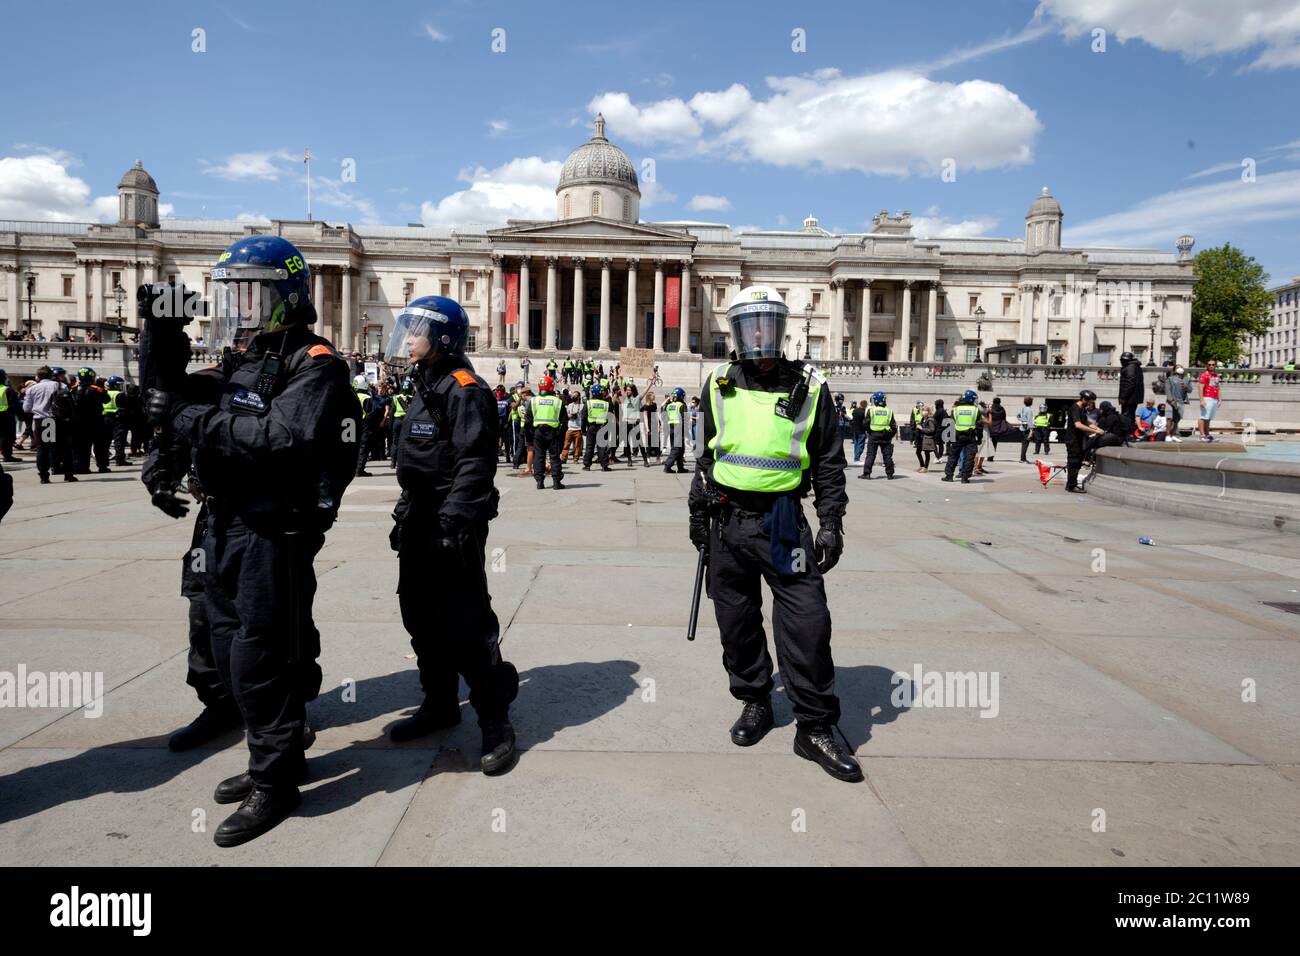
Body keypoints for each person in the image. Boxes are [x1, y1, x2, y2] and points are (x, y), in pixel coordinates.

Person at [153, 234, 358, 846]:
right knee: (222, 643)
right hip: (222, 520)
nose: (241, 306)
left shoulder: (314, 362)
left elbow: (280, 438)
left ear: (287, 296)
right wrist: (158, 331)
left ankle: (275, 779)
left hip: (273, 527)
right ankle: (271, 755)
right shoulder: (242, 356)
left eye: (254, 292)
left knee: (260, 654)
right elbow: (166, 394)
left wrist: (192, 421)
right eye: (233, 293)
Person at [688, 285, 860, 783]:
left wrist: (831, 522)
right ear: (738, 331)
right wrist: (697, 511)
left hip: (783, 521)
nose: (760, 335)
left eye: (768, 325)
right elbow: (707, 456)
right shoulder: (719, 381)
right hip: (725, 519)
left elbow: (829, 462)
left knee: (808, 623)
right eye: (750, 325)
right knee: (736, 623)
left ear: (781, 330)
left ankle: (815, 727)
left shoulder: (811, 384)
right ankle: (755, 701)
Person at [385, 295, 519, 774]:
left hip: (452, 524)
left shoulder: (464, 388)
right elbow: (414, 462)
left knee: (465, 624)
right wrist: (406, 513)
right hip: (420, 518)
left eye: (418, 330)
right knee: (419, 616)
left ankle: (495, 720)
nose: (409, 338)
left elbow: (475, 463)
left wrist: (453, 525)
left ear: (443, 338)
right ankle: (439, 703)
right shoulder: (423, 383)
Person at [22, 366, 75, 483]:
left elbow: (26, 408)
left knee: (43, 449)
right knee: (64, 447)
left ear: (38, 376)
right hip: (59, 420)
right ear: (51, 375)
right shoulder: (61, 386)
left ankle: (44, 476)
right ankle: (68, 474)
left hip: (42, 420)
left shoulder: (32, 389)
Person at [524, 374, 565, 489]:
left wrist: (529, 436)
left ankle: (539, 482)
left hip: (538, 432)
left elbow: (528, 421)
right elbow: (564, 419)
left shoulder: (534, 401)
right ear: (551, 387)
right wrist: (560, 433)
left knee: (539, 457)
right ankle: (556, 482)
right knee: (554, 456)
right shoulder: (557, 401)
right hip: (553, 431)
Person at [1063, 389, 1104, 493]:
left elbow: (1085, 422)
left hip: (1078, 439)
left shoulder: (1082, 408)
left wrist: (1097, 429)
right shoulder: (1075, 408)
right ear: (1084, 399)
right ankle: (1071, 485)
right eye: (1089, 401)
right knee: (1073, 461)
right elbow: (1078, 425)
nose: (1090, 404)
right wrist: (1092, 431)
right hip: (1072, 439)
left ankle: (1071, 484)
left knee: (1077, 461)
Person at [941, 390, 981, 484]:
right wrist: (979, 438)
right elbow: (979, 426)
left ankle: (949, 476)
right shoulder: (975, 410)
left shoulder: (955, 409)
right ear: (971, 399)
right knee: (969, 457)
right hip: (970, 436)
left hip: (957, 435)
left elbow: (951, 423)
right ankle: (965, 477)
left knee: (953, 456)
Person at [859, 390, 896, 479]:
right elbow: (893, 426)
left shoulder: (871, 411)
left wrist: (869, 431)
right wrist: (890, 435)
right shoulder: (889, 411)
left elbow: (865, 423)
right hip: (886, 435)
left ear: (875, 400)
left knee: (871, 454)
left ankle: (867, 473)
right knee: (887, 455)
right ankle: (890, 474)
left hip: (874, 435)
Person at [581, 382, 613, 471]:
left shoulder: (588, 403)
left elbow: (583, 417)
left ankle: (587, 465)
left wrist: (583, 429)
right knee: (602, 447)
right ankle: (604, 465)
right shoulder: (606, 404)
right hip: (602, 427)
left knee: (589, 447)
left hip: (591, 427)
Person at [1118, 350, 1144, 434]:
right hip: (1133, 397)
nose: (1121, 362)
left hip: (1130, 397)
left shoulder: (1130, 367)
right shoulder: (1134, 366)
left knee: (1127, 416)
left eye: (1122, 360)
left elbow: (1129, 383)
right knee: (1130, 415)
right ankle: (1129, 433)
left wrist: (1123, 397)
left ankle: (1127, 433)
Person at [662, 386, 688, 473]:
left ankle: (680, 467)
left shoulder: (669, 405)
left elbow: (662, 410)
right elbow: (685, 418)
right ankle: (668, 465)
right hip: (679, 428)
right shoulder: (682, 405)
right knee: (677, 449)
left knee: (680, 448)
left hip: (672, 428)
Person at [1198, 359, 1222, 441]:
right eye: (1209, 364)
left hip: (1214, 398)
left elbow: (1218, 388)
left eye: (1213, 364)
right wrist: (1201, 400)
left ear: (1215, 366)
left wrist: (1220, 399)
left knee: (1208, 418)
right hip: (1207, 397)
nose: (1211, 366)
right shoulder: (1204, 375)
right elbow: (1200, 388)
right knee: (1203, 416)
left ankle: (1207, 435)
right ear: (1207, 366)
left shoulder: (1216, 376)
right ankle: (1202, 435)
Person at [1165, 365, 1189, 442]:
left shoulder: (1186, 379)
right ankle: (1168, 435)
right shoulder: (1170, 379)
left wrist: (1186, 387)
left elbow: (1190, 390)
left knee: (1177, 419)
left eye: (1181, 367)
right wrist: (1171, 400)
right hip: (1171, 401)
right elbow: (1168, 390)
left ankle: (1173, 435)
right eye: (1178, 367)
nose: (1180, 369)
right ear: (1175, 370)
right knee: (1169, 418)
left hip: (1181, 402)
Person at [561, 388, 584, 463]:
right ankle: (563, 458)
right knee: (566, 445)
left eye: (576, 396)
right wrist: (569, 415)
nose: (574, 397)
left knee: (577, 446)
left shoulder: (582, 406)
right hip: (570, 428)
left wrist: (577, 415)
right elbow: (566, 415)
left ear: (579, 397)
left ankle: (575, 459)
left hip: (578, 428)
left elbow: (583, 415)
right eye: (573, 395)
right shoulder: (569, 405)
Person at [0, 370, 18, 462]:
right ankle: (7, 455)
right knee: (7, 437)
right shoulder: (7, 390)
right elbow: (15, 405)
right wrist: (21, 415)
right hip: (6, 417)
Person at [915, 405, 936, 472]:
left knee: (927, 453)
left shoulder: (930, 420)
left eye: (925, 410)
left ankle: (925, 467)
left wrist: (922, 428)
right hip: (921, 438)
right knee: (918, 452)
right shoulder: (923, 419)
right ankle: (922, 465)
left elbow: (932, 430)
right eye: (923, 410)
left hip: (927, 438)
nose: (924, 412)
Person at [1016, 396, 1034, 463]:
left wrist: (1022, 420)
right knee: (1025, 444)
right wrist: (1031, 430)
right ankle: (1022, 458)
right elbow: (1029, 421)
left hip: (1022, 427)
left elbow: (1018, 416)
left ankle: (1023, 458)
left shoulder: (1023, 409)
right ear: (1031, 403)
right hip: (1027, 429)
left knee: (1024, 444)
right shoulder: (1029, 410)